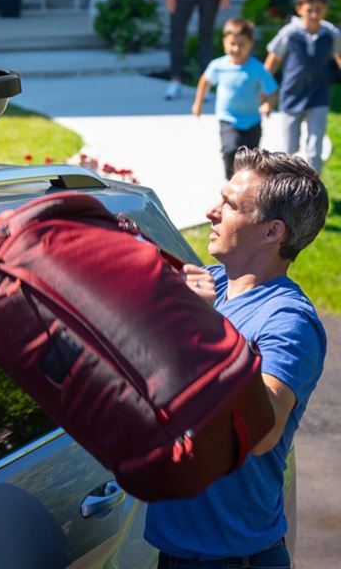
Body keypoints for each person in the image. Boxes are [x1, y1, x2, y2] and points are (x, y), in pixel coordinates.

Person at [145, 147, 328, 568]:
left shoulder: (288, 321)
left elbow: (263, 432)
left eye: (229, 205)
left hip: (233, 559)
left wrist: (206, 330)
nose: (212, 211)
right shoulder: (209, 285)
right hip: (175, 549)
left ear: (272, 232)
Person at [264, 0, 341, 174]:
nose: (314, 15)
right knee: (290, 147)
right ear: (299, 9)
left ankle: (314, 193)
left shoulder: (331, 34)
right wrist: (263, 90)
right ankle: (288, 189)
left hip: (319, 96)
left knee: (315, 147)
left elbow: (339, 56)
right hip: (292, 95)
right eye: (309, 10)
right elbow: (273, 60)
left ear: (325, 9)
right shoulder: (289, 33)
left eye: (319, 10)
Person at [192, 18, 278, 179]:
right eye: (232, 43)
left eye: (242, 44)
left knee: (252, 159)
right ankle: (231, 181)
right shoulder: (218, 66)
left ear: (251, 44)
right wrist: (198, 103)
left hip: (252, 120)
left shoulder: (257, 68)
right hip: (228, 119)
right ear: (224, 42)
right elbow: (205, 81)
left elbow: (272, 91)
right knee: (230, 150)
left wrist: (267, 105)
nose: (236, 48)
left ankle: (249, 186)